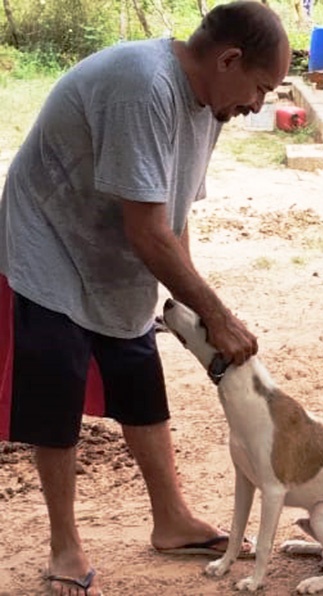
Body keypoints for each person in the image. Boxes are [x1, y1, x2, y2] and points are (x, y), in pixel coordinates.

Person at [0, 2, 290, 595]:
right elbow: (147, 232)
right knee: (55, 392)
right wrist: (215, 313)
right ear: (228, 59)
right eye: (260, 87)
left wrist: (193, 303)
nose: (259, 104)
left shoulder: (210, 105)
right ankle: (65, 544)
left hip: (111, 244)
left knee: (137, 375)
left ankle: (172, 520)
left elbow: (173, 216)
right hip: (49, 241)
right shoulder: (143, 85)